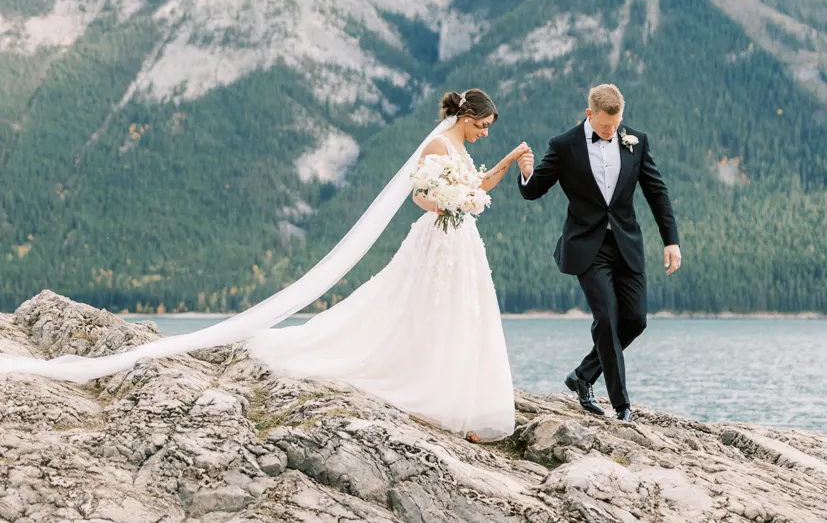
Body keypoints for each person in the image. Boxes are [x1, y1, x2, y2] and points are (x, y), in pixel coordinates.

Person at [0, 89, 528, 443]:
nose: (484, 133)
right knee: (419, 309)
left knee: (461, 315)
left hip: (462, 242)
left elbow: (477, 187)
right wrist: (449, 200)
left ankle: (456, 394)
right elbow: (421, 197)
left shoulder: (462, 149)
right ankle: (427, 387)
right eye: (483, 126)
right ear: (466, 118)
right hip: (438, 239)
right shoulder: (437, 144)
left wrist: (502, 166)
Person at [517, 83, 681, 422]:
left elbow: (657, 192)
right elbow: (534, 191)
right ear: (589, 114)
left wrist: (671, 240)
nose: (612, 132)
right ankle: (622, 406)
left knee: (635, 320)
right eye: (606, 126)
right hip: (587, 247)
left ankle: (583, 375)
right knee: (606, 318)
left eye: (616, 125)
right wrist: (526, 173)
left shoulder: (636, 141)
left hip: (627, 244)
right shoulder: (564, 145)